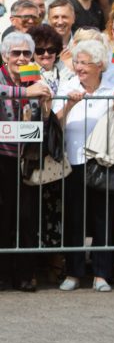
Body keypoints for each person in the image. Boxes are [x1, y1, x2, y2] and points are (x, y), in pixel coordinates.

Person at [53, 37, 114, 292]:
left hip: (101, 162)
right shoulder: (66, 86)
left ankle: (101, 274)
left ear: (99, 65)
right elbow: (56, 125)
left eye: (85, 63)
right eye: (77, 62)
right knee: (74, 218)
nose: (79, 67)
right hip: (73, 161)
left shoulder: (111, 89)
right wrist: (69, 104)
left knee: (102, 218)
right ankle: (73, 272)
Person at [0, 32, 52, 292]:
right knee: (2, 217)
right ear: (4, 56)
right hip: (2, 157)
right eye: (15, 53)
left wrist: (46, 105)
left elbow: (42, 121)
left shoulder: (37, 78)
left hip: (27, 158)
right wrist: (24, 91)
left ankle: (25, 275)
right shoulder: (3, 77)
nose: (21, 58)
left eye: (25, 53)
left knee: (26, 218)